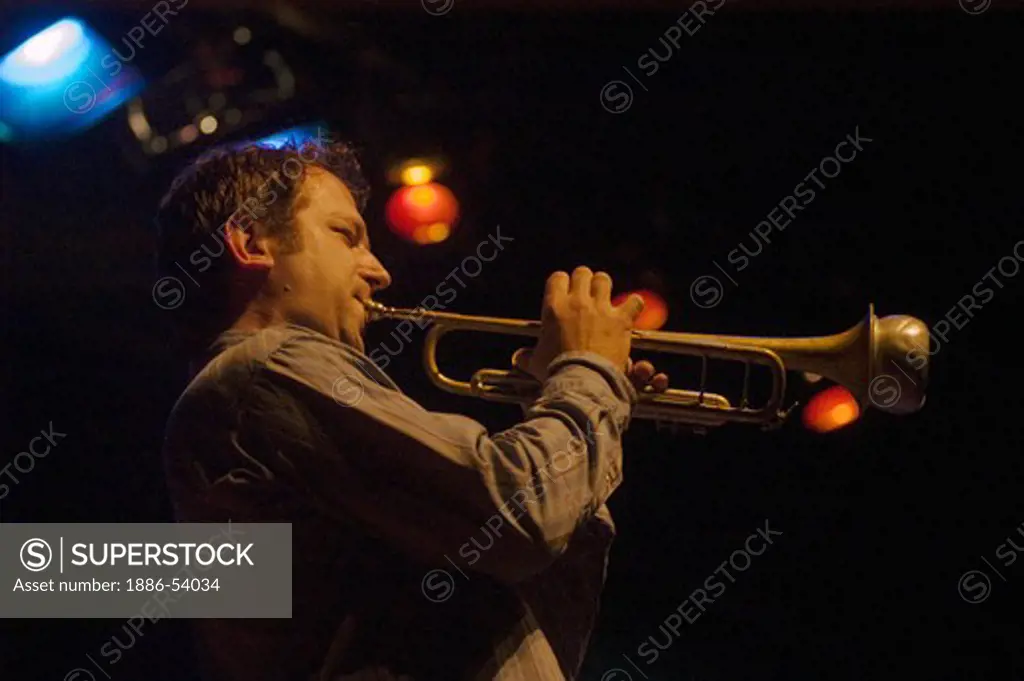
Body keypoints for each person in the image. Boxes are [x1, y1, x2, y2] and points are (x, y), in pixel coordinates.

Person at [154, 134, 669, 681]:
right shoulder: (266, 370)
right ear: (253, 241)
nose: (379, 271)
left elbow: (530, 608)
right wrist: (588, 372)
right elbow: (521, 518)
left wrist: (566, 401)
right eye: (346, 236)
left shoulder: (260, 392)